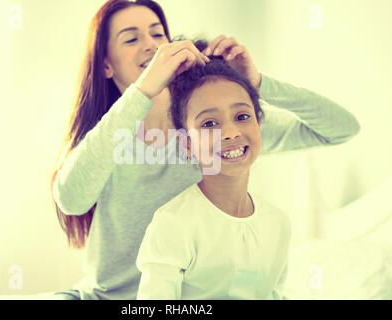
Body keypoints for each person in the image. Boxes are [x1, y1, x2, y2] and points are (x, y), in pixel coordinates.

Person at [51, 0, 360, 300]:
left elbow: (341, 128)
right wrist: (143, 91)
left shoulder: (216, 130)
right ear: (106, 65)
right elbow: (71, 200)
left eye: (158, 34)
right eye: (132, 38)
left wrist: (256, 82)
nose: (151, 44)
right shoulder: (108, 137)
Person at [136, 52, 290, 300]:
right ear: (186, 144)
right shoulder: (173, 224)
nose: (230, 132)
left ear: (258, 124)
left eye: (242, 117)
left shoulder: (278, 223)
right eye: (209, 123)